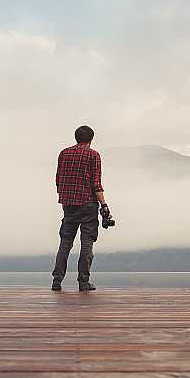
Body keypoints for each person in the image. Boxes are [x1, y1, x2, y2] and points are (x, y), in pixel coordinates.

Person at [51, 125, 112, 292]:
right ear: (91, 139)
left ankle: (57, 282)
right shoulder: (94, 155)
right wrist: (105, 206)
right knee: (87, 245)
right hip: (88, 206)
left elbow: (58, 180)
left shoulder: (64, 153)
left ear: (76, 137)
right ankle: (83, 283)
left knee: (65, 243)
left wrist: (64, 201)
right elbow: (96, 184)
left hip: (69, 205)